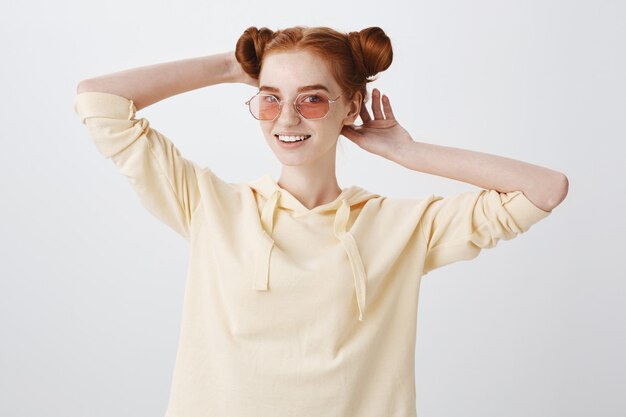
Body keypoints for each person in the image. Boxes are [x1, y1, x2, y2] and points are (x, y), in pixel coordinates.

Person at [74, 25, 568, 417]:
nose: (286, 118)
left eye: (311, 98)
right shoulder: (208, 205)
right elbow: (99, 100)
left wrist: (408, 152)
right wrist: (232, 65)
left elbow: (545, 189)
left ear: (351, 106)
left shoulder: (402, 227)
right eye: (270, 97)